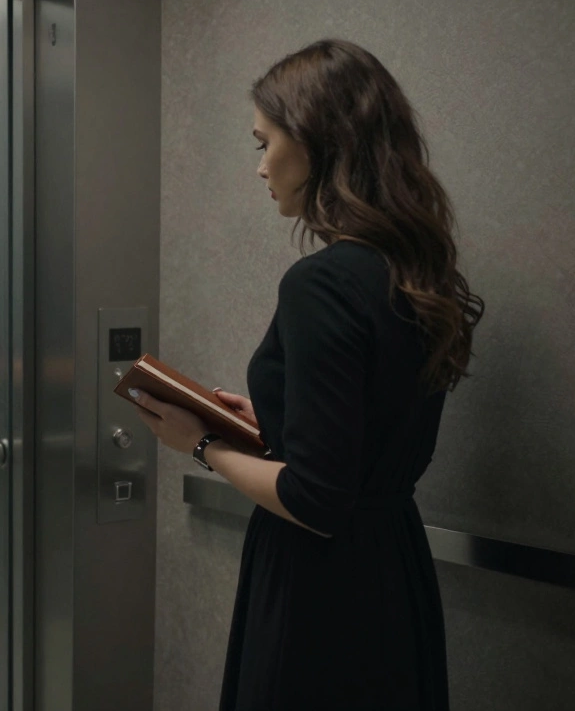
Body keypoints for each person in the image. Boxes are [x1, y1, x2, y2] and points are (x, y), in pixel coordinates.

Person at [131, 40, 483, 711]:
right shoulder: (416, 275)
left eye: (265, 143)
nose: (260, 167)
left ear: (320, 143)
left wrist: (206, 446)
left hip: (322, 591)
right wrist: (277, 430)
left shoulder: (320, 285)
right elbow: (363, 442)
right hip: (394, 573)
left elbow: (318, 499)